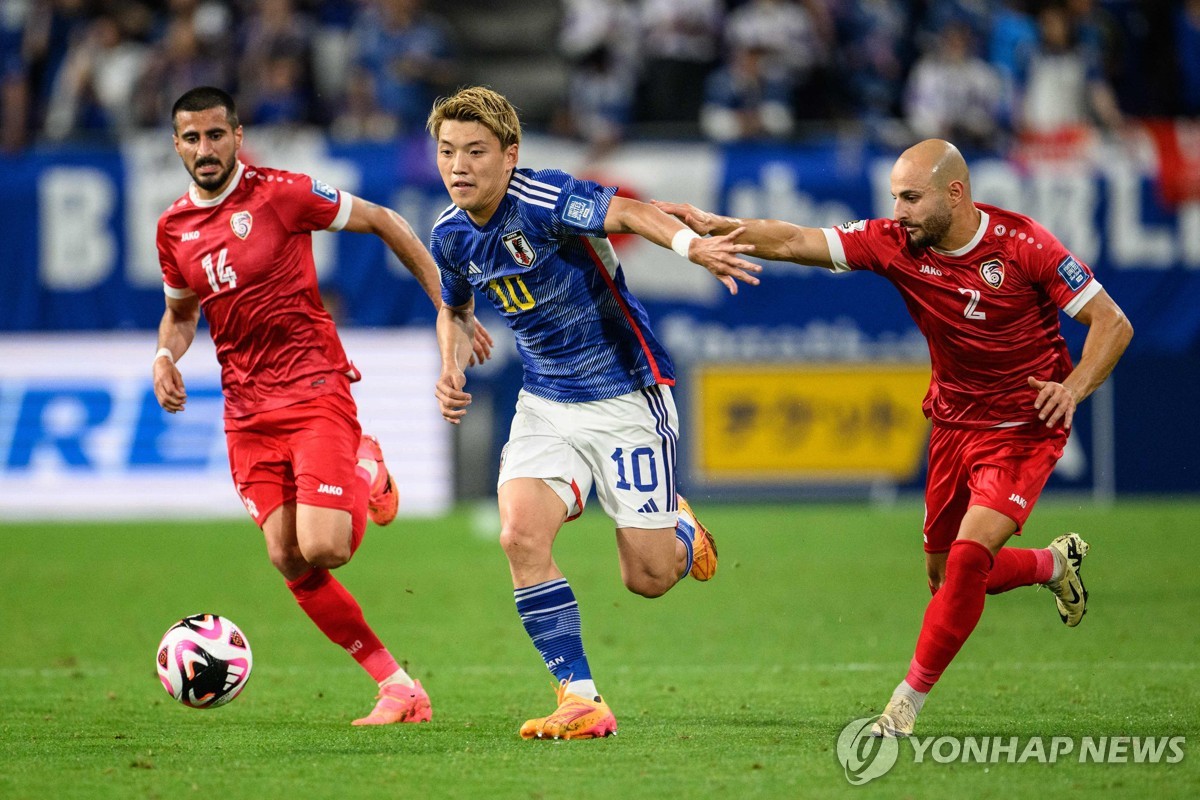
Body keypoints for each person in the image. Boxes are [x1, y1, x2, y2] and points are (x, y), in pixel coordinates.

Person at [655, 139, 1133, 737]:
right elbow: (795, 240)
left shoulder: (1026, 245)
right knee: (945, 576)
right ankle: (1051, 564)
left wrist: (1075, 388)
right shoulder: (895, 242)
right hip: (954, 424)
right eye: (895, 198)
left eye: (910, 197)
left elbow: (1112, 322)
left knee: (966, 559)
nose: (898, 210)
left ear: (954, 194)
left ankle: (902, 707)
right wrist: (718, 227)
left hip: (1021, 428)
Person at [426, 86, 761, 739]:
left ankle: (680, 532)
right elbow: (457, 308)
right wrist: (450, 363)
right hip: (546, 402)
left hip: (626, 395)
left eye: (474, 151)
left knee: (650, 578)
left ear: (509, 154)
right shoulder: (449, 235)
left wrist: (693, 248)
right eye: (446, 152)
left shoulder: (544, 197)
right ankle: (579, 697)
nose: (458, 166)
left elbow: (631, 212)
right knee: (520, 537)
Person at [151, 86, 492, 726]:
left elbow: (387, 221)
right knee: (287, 557)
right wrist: (166, 357)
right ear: (176, 145)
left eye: (216, 135)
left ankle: (367, 466)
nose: (205, 149)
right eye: (192, 138)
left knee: (326, 548)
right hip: (245, 412)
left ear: (238, 135)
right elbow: (179, 314)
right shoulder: (173, 228)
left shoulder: (280, 194)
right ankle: (398, 688)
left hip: (312, 389)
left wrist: (450, 305)